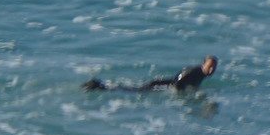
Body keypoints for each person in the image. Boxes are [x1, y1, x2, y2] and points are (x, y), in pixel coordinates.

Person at [84, 55, 218, 94]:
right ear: (203, 64)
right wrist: (179, 94)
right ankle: (100, 86)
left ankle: (102, 86)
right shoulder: (194, 71)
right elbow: (179, 80)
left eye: (214, 67)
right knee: (134, 91)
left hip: (165, 83)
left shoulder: (202, 74)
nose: (211, 69)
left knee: (134, 89)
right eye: (209, 66)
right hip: (161, 85)